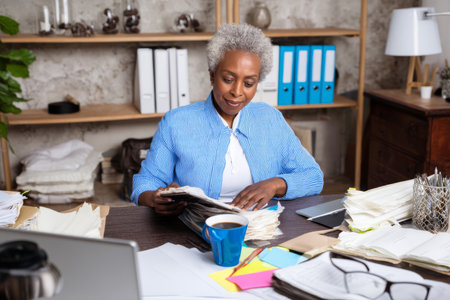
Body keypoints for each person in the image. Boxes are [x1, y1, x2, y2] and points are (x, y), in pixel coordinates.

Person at [131, 23, 323, 215]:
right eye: (228, 79)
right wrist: (153, 197)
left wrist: (275, 185)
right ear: (212, 75)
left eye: (249, 83)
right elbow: (146, 181)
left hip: (261, 227)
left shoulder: (270, 118)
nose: (237, 92)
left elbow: (314, 177)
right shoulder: (177, 122)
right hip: (196, 227)